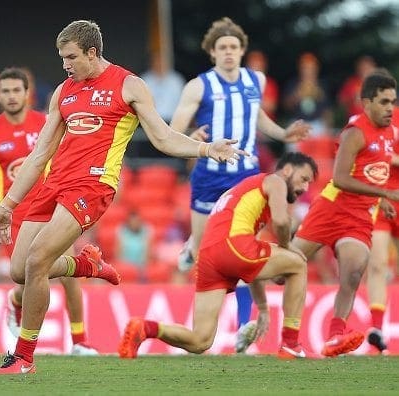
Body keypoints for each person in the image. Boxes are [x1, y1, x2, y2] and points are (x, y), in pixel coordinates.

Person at [0, 19, 245, 374]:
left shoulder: (129, 86)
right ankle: (86, 265)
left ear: (92, 53)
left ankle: (24, 357)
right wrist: (6, 206)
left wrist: (205, 148)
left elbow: (164, 138)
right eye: (62, 58)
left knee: (36, 262)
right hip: (53, 184)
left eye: (71, 57)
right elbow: (39, 154)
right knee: (19, 270)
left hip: (92, 187)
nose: (65, 64)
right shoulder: (63, 92)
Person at [170, 17, 310, 353]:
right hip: (209, 175)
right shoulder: (199, 86)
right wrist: (190, 137)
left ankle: (245, 321)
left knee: (245, 247)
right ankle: (192, 251)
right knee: (207, 254)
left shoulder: (255, 80)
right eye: (223, 48)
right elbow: (173, 128)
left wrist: (282, 133)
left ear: (242, 50)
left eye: (234, 47)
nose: (229, 53)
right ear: (213, 53)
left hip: (245, 174)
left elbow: (256, 116)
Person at [118, 152, 318, 359]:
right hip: (232, 246)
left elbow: (252, 266)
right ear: (287, 170)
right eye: (303, 179)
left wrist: (262, 308)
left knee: (200, 340)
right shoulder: (275, 181)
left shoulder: (244, 193)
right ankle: (290, 344)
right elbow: (282, 222)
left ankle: (144, 328)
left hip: (209, 256)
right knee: (299, 264)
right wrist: (287, 246)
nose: (305, 188)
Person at [0, 67, 98, 355]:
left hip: (52, 208)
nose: (12, 96)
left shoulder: (48, 123)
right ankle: (17, 300)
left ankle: (79, 342)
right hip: (15, 218)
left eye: (17, 90)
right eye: (6, 91)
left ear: (28, 93)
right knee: (25, 276)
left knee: (67, 272)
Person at [291, 71, 398, 357]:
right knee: (284, 267)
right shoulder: (355, 132)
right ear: (366, 103)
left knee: (352, 274)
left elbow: (376, 171)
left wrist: (380, 197)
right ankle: (242, 275)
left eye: (393, 102)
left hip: (361, 216)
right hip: (331, 208)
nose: (390, 108)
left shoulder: (389, 133)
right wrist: (385, 194)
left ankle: (335, 336)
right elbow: (339, 178)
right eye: (384, 102)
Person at [364, 103, 399, 354]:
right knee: (376, 264)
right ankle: (376, 328)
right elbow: (367, 152)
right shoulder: (385, 115)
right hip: (383, 196)